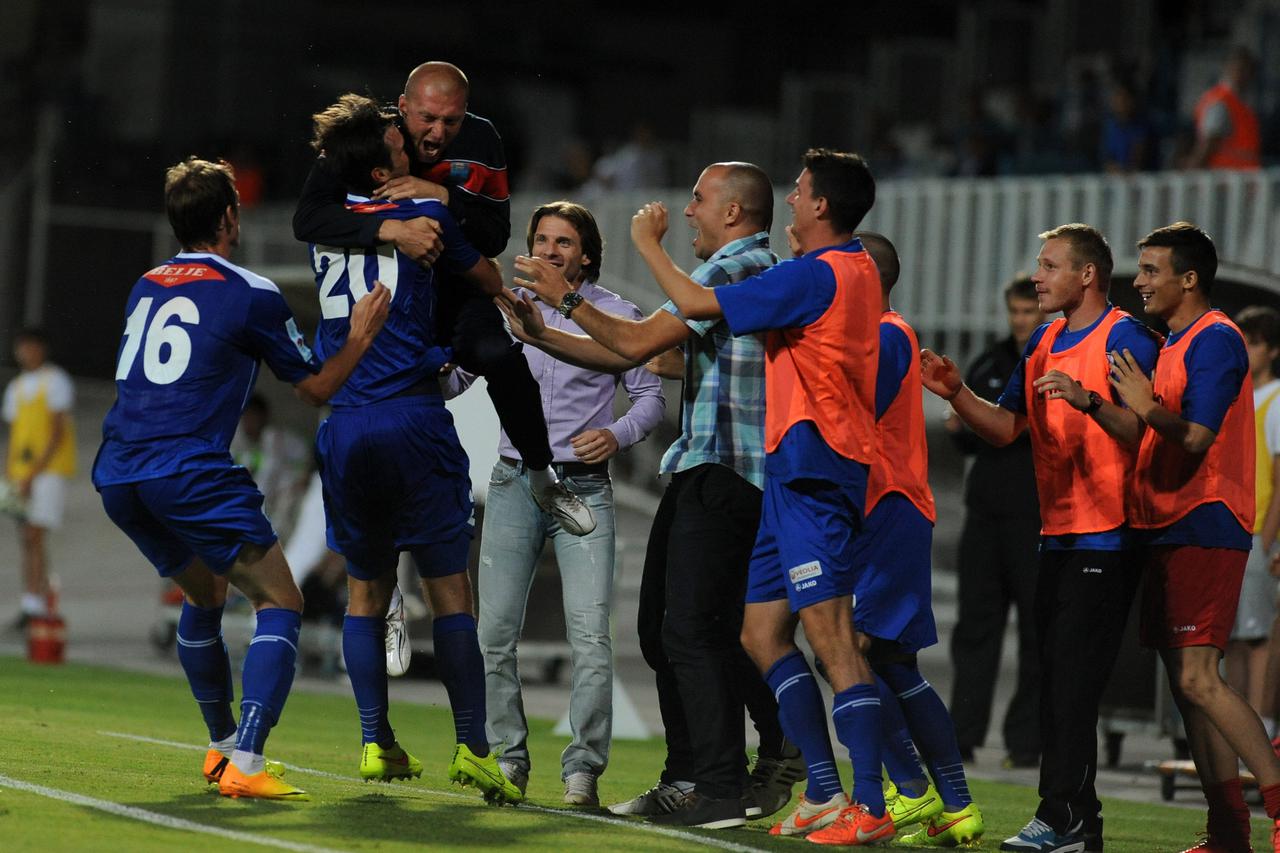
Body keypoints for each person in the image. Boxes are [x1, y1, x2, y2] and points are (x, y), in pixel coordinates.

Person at [499, 161, 802, 827]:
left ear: (731, 212)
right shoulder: (727, 275)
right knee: (666, 630)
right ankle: (693, 772)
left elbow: (634, 343)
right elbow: (637, 356)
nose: (686, 211)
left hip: (728, 470)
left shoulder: (736, 267)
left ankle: (728, 775)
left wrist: (594, 281)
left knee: (694, 628)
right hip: (701, 465)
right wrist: (542, 330)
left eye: (697, 200)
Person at [93, 156, 391, 801]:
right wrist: (360, 337)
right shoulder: (250, 290)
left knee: (204, 597)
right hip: (188, 468)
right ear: (231, 216)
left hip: (119, 470)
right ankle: (249, 762)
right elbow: (314, 388)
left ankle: (223, 746)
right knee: (280, 601)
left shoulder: (147, 283)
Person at [625, 147, 893, 844]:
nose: (793, 203)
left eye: (801, 192)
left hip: (817, 468)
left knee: (833, 639)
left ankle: (869, 803)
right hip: (783, 470)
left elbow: (691, 304)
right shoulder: (835, 271)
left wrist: (646, 244)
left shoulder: (820, 273)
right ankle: (821, 790)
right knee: (758, 633)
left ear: (823, 205)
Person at [303, 93, 522, 803]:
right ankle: (473, 748)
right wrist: (521, 300)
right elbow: (483, 273)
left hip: (345, 425)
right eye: (398, 144)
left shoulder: (324, 231)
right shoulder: (424, 217)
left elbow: (325, 209)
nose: (410, 146)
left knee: (365, 591)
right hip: (412, 417)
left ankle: (375, 742)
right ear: (378, 168)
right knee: (449, 588)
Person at [920, 223, 1160, 853]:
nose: (1037, 276)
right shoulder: (1046, 339)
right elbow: (1005, 429)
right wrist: (956, 392)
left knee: (1072, 682)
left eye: (1050, 266)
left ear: (1087, 275)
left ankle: (1062, 817)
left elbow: (1147, 434)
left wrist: (1087, 402)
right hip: (1058, 532)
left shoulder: (1125, 335)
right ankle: (1077, 822)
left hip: (1110, 533)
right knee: (1059, 677)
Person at [293, 61, 591, 540]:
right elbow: (307, 218)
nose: (437, 132)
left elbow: (493, 237)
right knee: (355, 412)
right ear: (403, 108)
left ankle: (542, 475)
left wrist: (444, 196)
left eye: (451, 121)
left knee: (500, 356)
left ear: (466, 114)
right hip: (383, 301)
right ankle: (373, 576)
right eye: (426, 119)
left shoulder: (479, 145)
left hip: (447, 286)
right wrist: (393, 229)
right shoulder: (369, 138)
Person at [446, 201, 663, 807]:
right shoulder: (502, 310)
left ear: (585, 254)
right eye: (541, 239)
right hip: (515, 480)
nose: (548, 250)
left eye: (563, 242)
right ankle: (509, 762)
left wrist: (616, 434)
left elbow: (650, 397)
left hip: (583, 485)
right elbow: (457, 377)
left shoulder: (617, 316)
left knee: (591, 639)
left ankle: (582, 771)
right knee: (493, 633)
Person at [1110, 222, 1280, 852]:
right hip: (1168, 520)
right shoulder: (1176, 342)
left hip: (1207, 518)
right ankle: (1229, 830)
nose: (1140, 282)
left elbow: (1198, 437)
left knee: (1201, 679)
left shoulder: (1216, 339)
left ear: (1188, 279)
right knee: (1187, 685)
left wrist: (1146, 403)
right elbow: (1151, 433)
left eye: (1151, 270)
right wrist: (1095, 403)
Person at [845, 232, 985, 847]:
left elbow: (854, 410)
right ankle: (953, 803)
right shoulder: (875, 333)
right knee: (891, 661)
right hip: (877, 509)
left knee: (851, 649)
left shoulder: (891, 332)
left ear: (867, 276)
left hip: (890, 507)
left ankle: (911, 788)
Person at [946, 277, 1045, 768]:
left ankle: (1026, 744)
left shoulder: (1053, 362)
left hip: (1036, 517)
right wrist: (960, 428)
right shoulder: (991, 361)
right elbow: (967, 433)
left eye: (1030, 311)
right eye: (1016, 311)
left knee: (1036, 631)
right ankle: (962, 736)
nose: (1022, 320)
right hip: (985, 516)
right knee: (975, 629)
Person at [1225, 306, 1280, 727]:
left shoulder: (1276, 402)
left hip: (1258, 531)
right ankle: (1242, 728)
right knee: (1239, 639)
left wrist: (1266, 541)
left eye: (1254, 342)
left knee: (1258, 637)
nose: (1246, 348)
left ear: (1273, 350)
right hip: (1236, 529)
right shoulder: (1237, 398)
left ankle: (1262, 728)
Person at [4, 328, 75, 628]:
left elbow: (57, 432)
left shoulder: (55, 381)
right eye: (22, 347)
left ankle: (36, 602)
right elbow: (14, 433)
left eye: (31, 347)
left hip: (49, 471)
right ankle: (35, 601)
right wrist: (10, 472)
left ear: (41, 349)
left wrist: (33, 473)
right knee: (28, 539)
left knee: (35, 533)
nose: (26, 353)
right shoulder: (16, 387)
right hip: (21, 472)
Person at [230, 394, 310, 542]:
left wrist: (301, 477)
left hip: (280, 495)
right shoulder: (236, 440)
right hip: (251, 500)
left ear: (263, 417)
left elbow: (302, 461)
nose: (249, 422)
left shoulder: (278, 438)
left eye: (254, 417)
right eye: (246, 417)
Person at [1185, 47, 1260, 170]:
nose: (1246, 75)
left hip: (1242, 180)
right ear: (1229, 68)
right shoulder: (1221, 100)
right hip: (1223, 180)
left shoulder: (1242, 104)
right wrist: (1192, 174)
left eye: (1250, 71)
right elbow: (1210, 142)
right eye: (1241, 69)